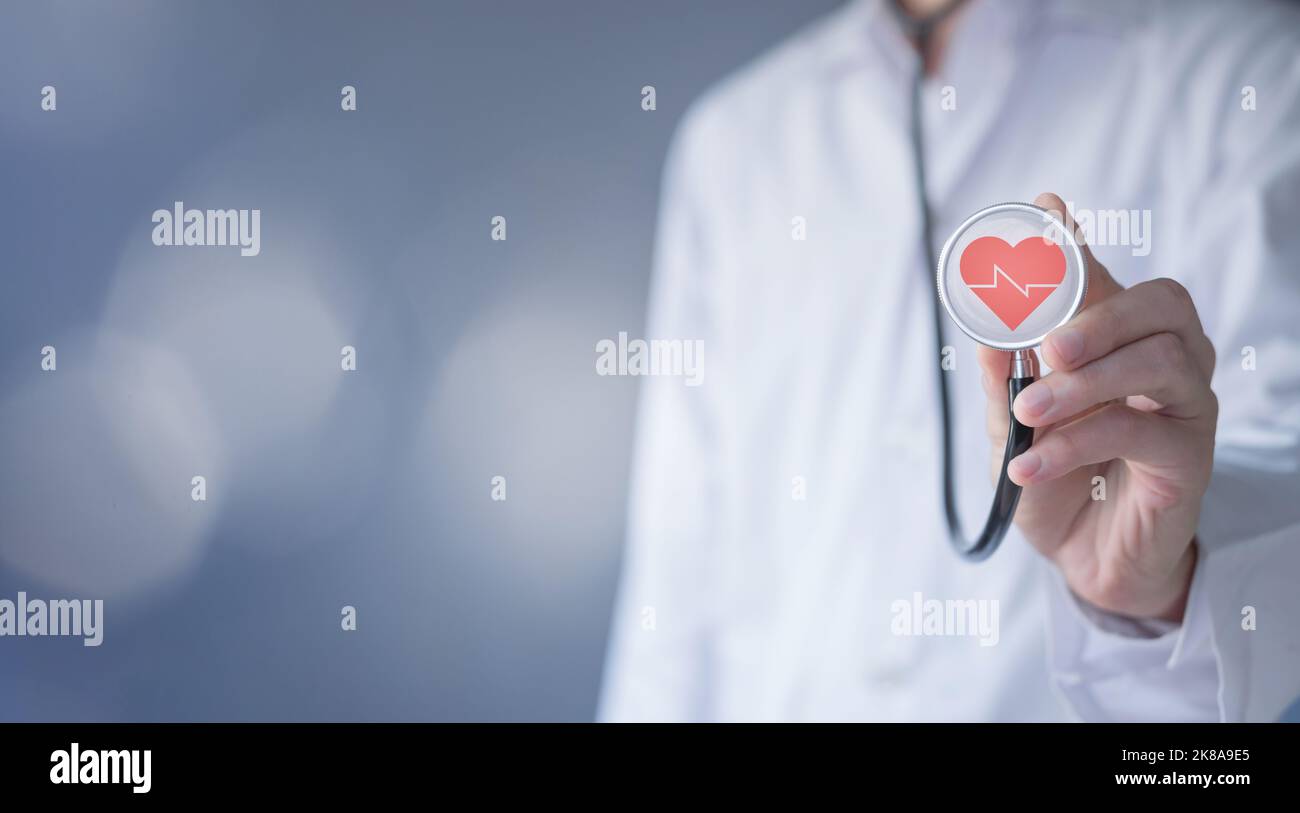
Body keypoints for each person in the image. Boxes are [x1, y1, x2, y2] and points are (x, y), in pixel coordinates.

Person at [599, 0, 1300, 721]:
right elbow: (677, 572)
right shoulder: (732, 143)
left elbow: (1285, 504)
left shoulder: (1250, 74)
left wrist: (1160, 586)